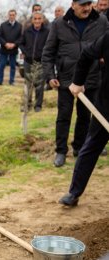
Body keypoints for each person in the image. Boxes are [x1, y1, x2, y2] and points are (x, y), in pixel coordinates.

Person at [42, 0, 108, 168]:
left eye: (89, 4)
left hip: (91, 78)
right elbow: (48, 52)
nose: (86, 8)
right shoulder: (59, 23)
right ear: (73, 5)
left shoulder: (101, 22)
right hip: (66, 78)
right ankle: (61, 151)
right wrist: (50, 76)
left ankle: (79, 148)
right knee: (64, 116)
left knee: (85, 117)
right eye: (82, 5)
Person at [58, 31, 109, 206]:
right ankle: (74, 192)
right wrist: (78, 82)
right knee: (92, 145)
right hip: (106, 104)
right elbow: (87, 53)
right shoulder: (108, 37)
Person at [19, 11, 50, 112]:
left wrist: (43, 54)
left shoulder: (47, 32)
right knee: (28, 83)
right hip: (28, 61)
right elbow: (21, 43)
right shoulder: (27, 31)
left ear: (42, 20)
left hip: (41, 62)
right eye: (35, 19)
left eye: (39, 19)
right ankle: (27, 104)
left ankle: (38, 105)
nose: (37, 21)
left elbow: (50, 45)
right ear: (32, 20)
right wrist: (26, 52)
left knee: (39, 84)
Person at [0, 9, 22, 86]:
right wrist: (5, 44)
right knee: (1, 65)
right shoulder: (3, 25)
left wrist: (14, 44)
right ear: (8, 15)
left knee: (13, 66)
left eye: (13, 15)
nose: (11, 16)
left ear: (15, 15)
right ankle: (0, 81)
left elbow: (21, 38)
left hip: (14, 49)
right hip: (4, 49)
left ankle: (11, 81)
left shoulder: (19, 26)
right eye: (10, 15)